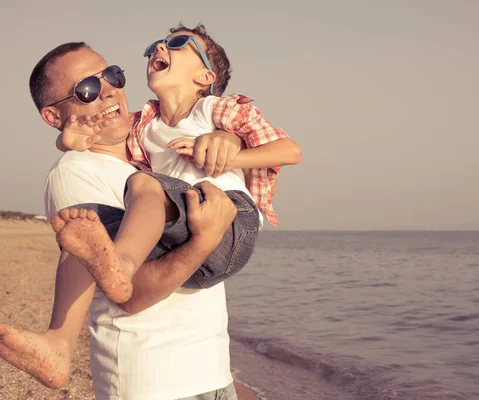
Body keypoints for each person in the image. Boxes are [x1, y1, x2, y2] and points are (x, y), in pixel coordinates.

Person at [0, 41, 247, 400]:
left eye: (112, 76)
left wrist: (225, 137)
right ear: (53, 116)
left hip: (211, 371)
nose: (109, 92)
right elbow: (128, 293)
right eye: (86, 90)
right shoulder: (77, 172)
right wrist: (204, 242)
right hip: (154, 381)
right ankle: (58, 341)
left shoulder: (150, 155)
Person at [57, 23, 301, 304]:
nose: (159, 48)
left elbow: (290, 151)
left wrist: (230, 157)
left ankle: (123, 263)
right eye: (155, 47)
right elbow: (102, 137)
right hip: (183, 246)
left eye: (178, 44)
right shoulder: (143, 125)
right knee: (83, 230)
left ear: (204, 76)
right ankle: (59, 336)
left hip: (229, 218)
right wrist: (67, 141)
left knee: (143, 184)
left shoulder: (214, 109)